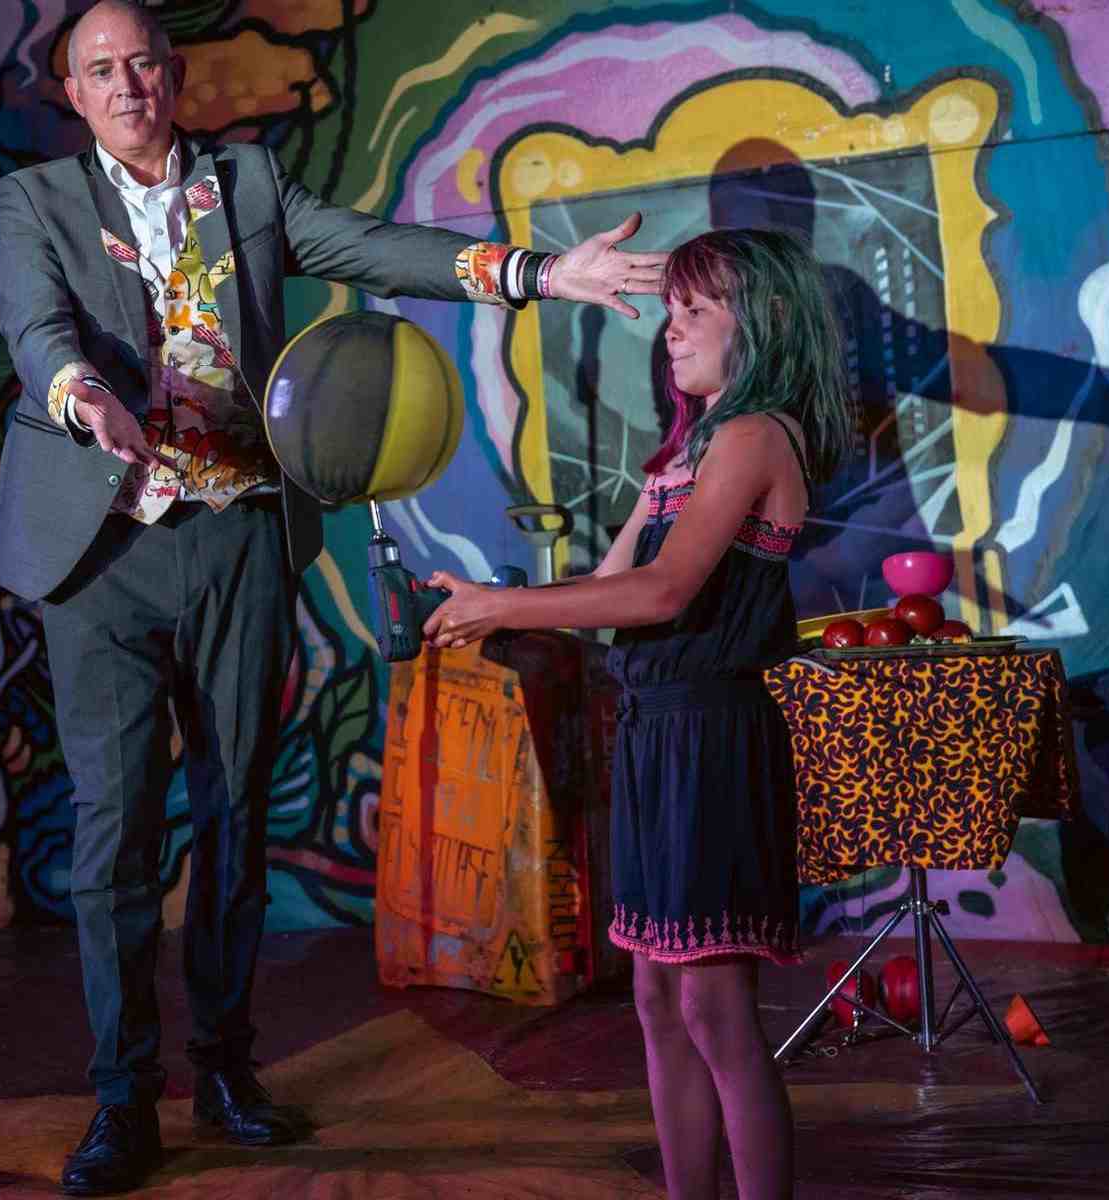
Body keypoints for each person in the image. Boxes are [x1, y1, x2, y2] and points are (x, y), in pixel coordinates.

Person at [0, 2, 668, 1193]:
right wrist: (85, 394)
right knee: (114, 837)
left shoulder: (245, 183)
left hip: (239, 532)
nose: (129, 82)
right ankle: (122, 1099)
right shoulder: (34, 202)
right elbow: (36, 327)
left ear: (174, 75)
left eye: (144, 61)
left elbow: (376, 246)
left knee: (236, 809)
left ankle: (230, 1068)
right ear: (74, 92)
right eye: (102, 69)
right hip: (99, 554)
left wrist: (543, 271)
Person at [423, 227, 853, 1200]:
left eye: (701, 309)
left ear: (768, 323)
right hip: (658, 734)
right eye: (672, 307)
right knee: (660, 996)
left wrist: (504, 606)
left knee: (713, 1007)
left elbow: (661, 595)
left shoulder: (756, 436)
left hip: (710, 735)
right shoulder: (689, 451)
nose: (674, 327)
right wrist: (490, 602)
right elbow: (614, 592)